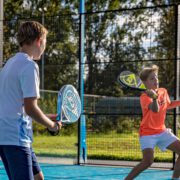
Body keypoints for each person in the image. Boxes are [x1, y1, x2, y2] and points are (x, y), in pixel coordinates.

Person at [0, 21, 62, 180]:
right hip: (16, 137)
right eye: (45, 43)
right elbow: (30, 108)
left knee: (38, 177)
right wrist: (52, 126)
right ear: (39, 40)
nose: (44, 48)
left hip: (6, 135)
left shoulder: (9, 64)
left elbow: (16, 105)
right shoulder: (29, 66)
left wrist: (47, 117)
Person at [125, 65, 180, 180]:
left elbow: (168, 105)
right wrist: (154, 98)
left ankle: (175, 179)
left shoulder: (163, 91)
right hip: (147, 133)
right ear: (144, 83)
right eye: (152, 78)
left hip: (162, 131)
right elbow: (155, 109)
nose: (156, 80)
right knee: (148, 161)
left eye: (156, 77)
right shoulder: (144, 97)